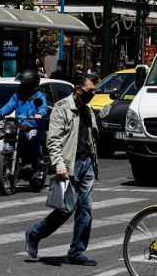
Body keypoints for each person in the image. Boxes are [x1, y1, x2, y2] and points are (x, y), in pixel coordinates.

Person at [24, 73, 100, 266]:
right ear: (78, 89)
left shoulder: (88, 110)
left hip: (87, 164)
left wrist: (93, 160)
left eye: (94, 90)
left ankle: (76, 252)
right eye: (90, 90)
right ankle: (34, 233)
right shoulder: (62, 108)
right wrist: (59, 165)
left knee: (86, 210)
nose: (93, 93)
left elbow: (91, 137)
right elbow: (53, 141)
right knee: (65, 210)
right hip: (70, 164)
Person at [0, 70, 48, 192]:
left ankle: (39, 168)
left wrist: (39, 114)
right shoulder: (17, 96)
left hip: (33, 127)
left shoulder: (39, 96)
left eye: (23, 83)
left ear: (31, 84)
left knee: (32, 139)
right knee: (7, 146)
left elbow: (43, 108)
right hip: (19, 126)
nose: (20, 85)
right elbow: (9, 106)